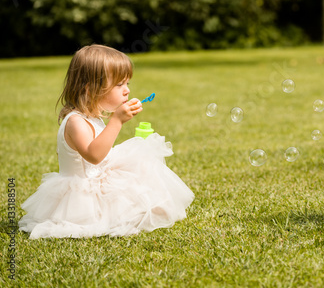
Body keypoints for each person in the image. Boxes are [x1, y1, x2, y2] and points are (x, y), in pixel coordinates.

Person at [19, 44, 194, 239]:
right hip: (82, 196)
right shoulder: (75, 122)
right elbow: (94, 155)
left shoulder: (93, 116)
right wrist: (117, 120)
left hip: (99, 178)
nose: (127, 91)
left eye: (127, 83)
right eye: (119, 85)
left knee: (142, 162)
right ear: (90, 88)